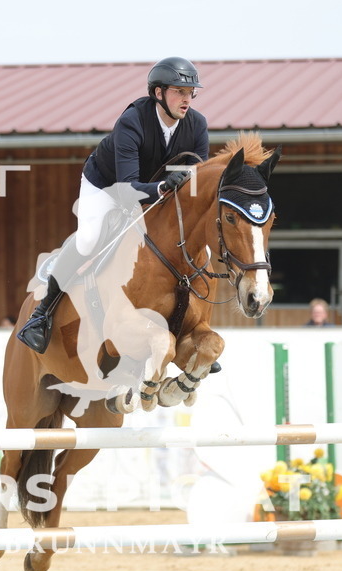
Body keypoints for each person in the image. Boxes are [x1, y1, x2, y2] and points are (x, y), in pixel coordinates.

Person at [17, 56, 209, 353]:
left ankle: (193, 329)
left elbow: (198, 177)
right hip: (108, 186)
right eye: (179, 92)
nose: (187, 99)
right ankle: (41, 315)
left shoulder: (197, 125)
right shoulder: (132, 121)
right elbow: (125, 190)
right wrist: (161, 187)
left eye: (190, 93)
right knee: (90, 238)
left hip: (160, 191)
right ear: (158, 93)